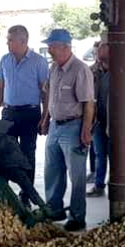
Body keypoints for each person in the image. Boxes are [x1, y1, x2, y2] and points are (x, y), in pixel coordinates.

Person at [39, 29, 95, 232]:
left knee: (77, 175)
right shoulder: (54, 68)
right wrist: (45, 119)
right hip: (55, 126)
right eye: (49, 46)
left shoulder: (80, 70)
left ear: (65, 47)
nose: (50, 50)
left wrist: (86, 131)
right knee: (52, 170)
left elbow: (89, 104)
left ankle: (78, 217)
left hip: (74, 127)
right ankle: (54, 209)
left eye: (52, 47)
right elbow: (50, 97)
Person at [0, 25, 49, 205]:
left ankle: (26, 195)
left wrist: (45, 116)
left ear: (22, 41)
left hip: (30, 113)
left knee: (27, 154)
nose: (7, 43)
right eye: (7, 39)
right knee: (6, 153)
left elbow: (45, 92)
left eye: (10, 39)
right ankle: (5, 194)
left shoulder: (39, 62)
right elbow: (1, 87)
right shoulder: (5, 60)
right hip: (8, 113)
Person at [86, 38, 110, 198]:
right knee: (100, 154)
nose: (97, 51)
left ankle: (115, 184)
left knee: (116, 156)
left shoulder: (121, 69)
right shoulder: (92, 70)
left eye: (102, 47)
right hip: (97, 120)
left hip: (115, 121)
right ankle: (99, 185)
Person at [86, 41, 101, 184]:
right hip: (92, 112)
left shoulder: (110, 69)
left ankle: (100, 174)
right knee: (92, 146)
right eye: (95, 52)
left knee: (102, 149)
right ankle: (93, 171)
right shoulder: (90, 70)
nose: (97, 55)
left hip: (104, 112)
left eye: (99, 51)